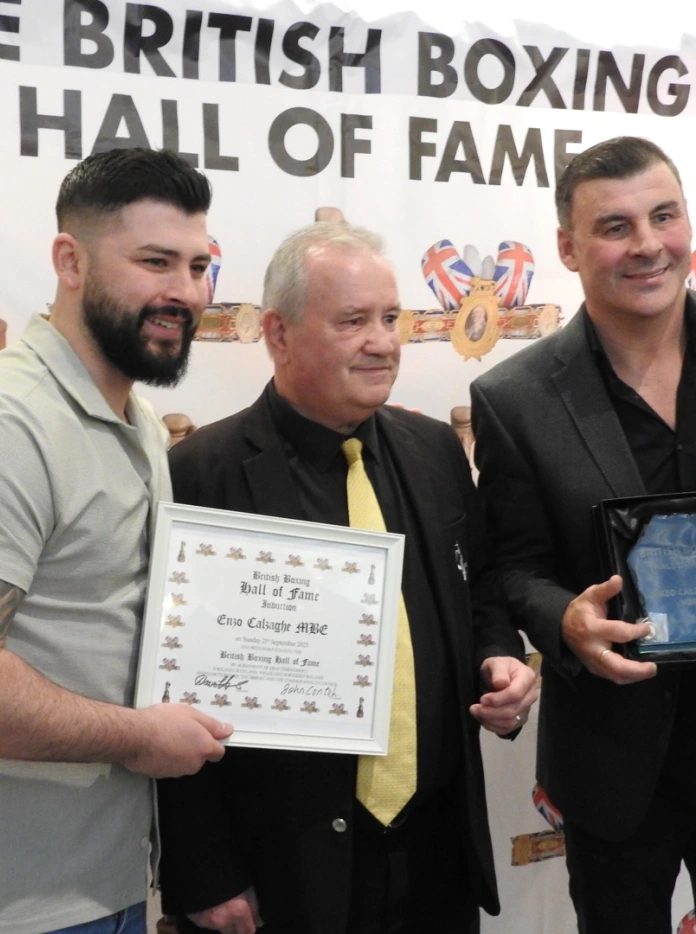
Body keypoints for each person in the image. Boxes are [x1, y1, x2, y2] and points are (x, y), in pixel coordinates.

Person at [157, 222, 538, 934]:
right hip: (284, 868)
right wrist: (206, 871)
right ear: (278, 334)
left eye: (391, 318)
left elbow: (480, 588)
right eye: (353, 321)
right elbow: (167, 687)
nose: (382, 342)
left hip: (436, 856)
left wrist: (499, 657)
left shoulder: (434, 450)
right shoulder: (201, 472)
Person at [0, 148, 234, 934]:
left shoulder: (137, 420)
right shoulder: (13, 422)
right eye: (155, 262)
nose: (185, 292)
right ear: (70, 261)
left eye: (198, 266)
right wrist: (138, 738)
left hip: (106, 878)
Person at [471, 136, 696, 934]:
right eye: (615, 227)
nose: (647, 245)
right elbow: (514, 566)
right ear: (567, 247)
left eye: (664, 216)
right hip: (613, 761)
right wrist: (564, 621)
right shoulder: (514, 398)